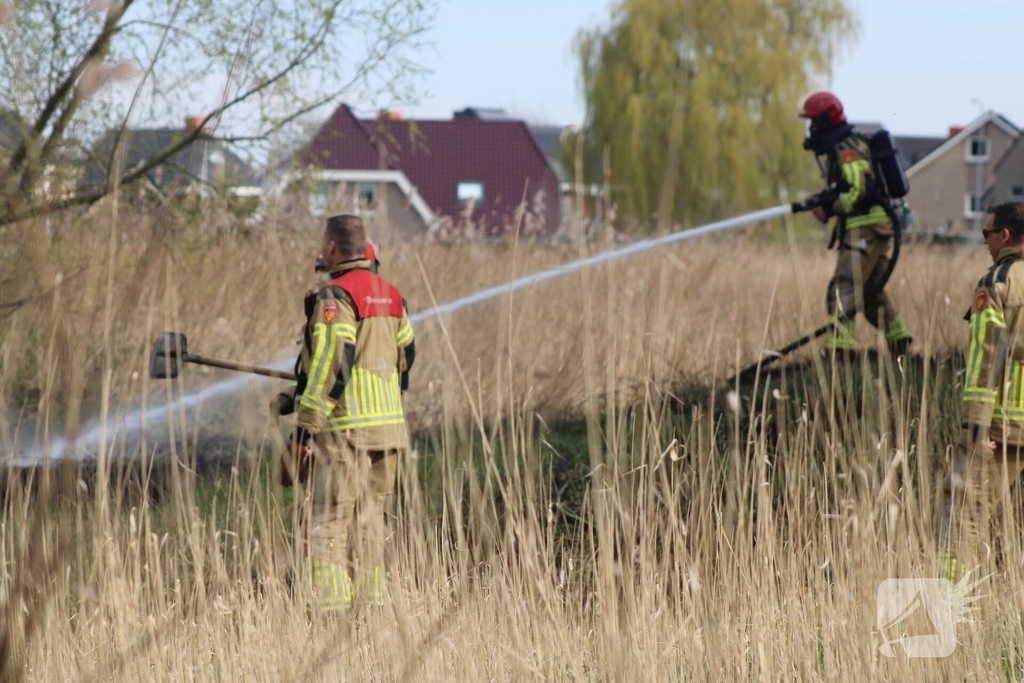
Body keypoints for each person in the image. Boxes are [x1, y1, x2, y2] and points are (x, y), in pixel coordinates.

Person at [273, 216, 415, 611]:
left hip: (345, 433)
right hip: (388, 432)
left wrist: (303, 429)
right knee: (370, 521)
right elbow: (405, 357)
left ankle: (330, 611)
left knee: (327, 522)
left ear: (332, 248)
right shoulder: (391, 295)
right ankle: (371, 608)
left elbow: (334, 364)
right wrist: (296, 392)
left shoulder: (336, 297)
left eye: (322, 248)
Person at [938, 202, 1024, 581]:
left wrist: (975, 428)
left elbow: (986, 360)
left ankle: (950, 607)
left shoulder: (997, 283)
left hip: (1004, 426)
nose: (984, 242)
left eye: (986, 234)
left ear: (1004, 236)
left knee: (961, 518)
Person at [798, 91, 913, 356]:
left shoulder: (847, 150)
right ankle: (900, 340)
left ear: (826, 121)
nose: (812, 129)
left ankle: (840, 348)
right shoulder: (844, 147)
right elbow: (847, 189)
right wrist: (822, 200)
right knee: (871, 290)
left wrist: (830, 208)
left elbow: (859, 190)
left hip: (866, 228)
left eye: (814, 122)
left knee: (845, 283)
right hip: (874, 227)